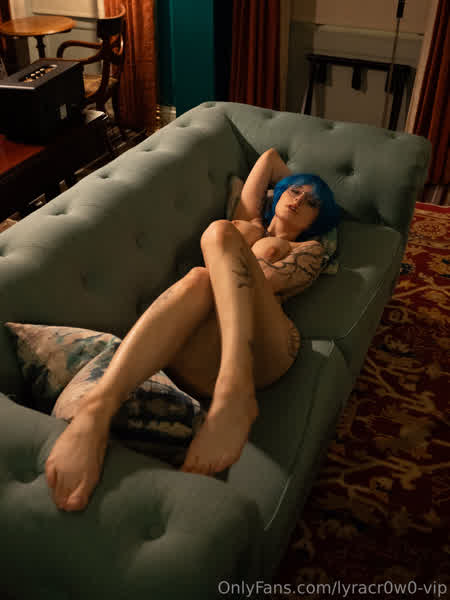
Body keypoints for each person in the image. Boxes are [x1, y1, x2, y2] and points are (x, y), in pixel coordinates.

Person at [44, 147, 340, 512]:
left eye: (312, 202)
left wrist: (238, 243)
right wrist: (285, 189)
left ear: (319, 218)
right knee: (200, 276)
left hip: (267, 346)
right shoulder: (247, 220)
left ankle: (235, 390)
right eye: (294, 191)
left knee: (216, 242)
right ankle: (96, 412)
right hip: (200, 349)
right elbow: (269, 159)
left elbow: (259, 281)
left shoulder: (309, 248)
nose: (298, 201)